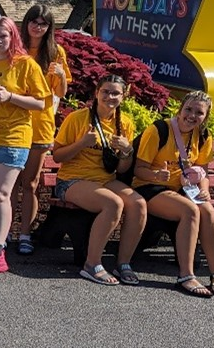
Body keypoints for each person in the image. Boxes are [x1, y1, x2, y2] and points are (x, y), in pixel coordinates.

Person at [0, 16, 51, 275]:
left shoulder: (26, 65)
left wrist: (10, 96)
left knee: (2, 193)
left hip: (12, 137)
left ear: (13, 36)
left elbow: (42, 103)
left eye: (3, 36)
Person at [51, 75, 146, 285]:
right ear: (97, 93)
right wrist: (82, 143)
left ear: (124, 96)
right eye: (105, 92)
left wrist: (127, 151)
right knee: (113, 203)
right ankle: (92, 264)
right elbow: (58, 156)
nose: (109, 97)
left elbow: (121, 168)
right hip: (72, 180)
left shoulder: (125, 123)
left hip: (105, 180)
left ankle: (123, 263)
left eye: (115, 93)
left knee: (138, 203)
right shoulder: (77, 118)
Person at [135, 91, 214, 297]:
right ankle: (186, 276)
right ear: (180, 109)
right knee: (190, 210)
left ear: (206, 116)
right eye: (188, 109)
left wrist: (204, 189)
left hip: (182, 189)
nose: (192, 116)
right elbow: (138, 169)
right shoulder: (159, 130)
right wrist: (157, 175)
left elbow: (202, 170)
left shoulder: (203, 135)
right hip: (149, 186)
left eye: (199, 112)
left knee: (208, 210)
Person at [12, 5, 70, 256]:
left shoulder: (56, 53)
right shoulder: (17, 49)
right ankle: (4, 233)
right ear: (26, 23)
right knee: (11, 183)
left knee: (31, 183)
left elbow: (61, 93)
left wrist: (62, 76)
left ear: (49, 28)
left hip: (41, 124)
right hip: (14, 123)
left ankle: (25, 233)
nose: (37, 26)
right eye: (33, 21)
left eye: (43, 23)